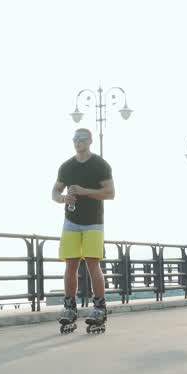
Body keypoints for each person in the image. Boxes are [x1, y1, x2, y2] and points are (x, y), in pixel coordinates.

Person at [50, 128, 116, 330]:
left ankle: (99, 308)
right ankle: (70, 307)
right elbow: (54, 191)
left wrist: (86, 192)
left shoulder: (100, 165)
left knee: (92, 265)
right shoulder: (67, 166)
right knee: (70, 266)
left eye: (82, 139)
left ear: (90, 141)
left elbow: (110, 193)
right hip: (71, 222)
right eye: (75, 139)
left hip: (93, 222)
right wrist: (62, 198)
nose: (78, 142)